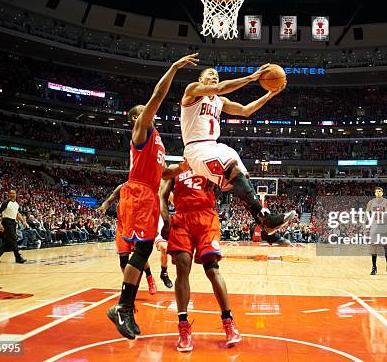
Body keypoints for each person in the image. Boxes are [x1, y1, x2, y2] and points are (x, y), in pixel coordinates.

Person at [106, 53, 198, 340]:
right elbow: (158, 95)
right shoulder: (141, 128)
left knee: (143, 250)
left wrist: (185, 165)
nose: (152, 111)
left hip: (147, 194)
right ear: (137, 117)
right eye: (146, 110)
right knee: (142, 250)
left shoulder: (156, 138)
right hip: (137, 194)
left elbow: (164, 173)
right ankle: (122, 306)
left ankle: (123, 307)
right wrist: (173, 68)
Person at [180, 66, 296, 235]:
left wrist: (269, 94)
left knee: (241, 176)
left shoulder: (220, 101)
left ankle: (266, 220)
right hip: (196, 148)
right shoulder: (192, 90)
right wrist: (252, 77)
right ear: (200, 80)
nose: (214, 76)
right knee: (232, 170)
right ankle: (266, 219)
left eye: (217, 75)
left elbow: (245, 111)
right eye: (210, 74)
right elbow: (220, 88)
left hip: (214, 146)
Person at [160, 164, 241, 352]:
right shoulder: (175, 170)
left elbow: (229, 182)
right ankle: (183, 327)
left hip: (206, 217)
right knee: (182, 269)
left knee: (212, 270)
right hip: (181, 219)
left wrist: (238, 175)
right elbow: (162, 197)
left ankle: (228, 322)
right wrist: (166, 221)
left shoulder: (208, 165)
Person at [0, 189, 27, 264]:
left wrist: (23, 221)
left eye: (14, 193)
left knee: (9, 242)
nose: (13, 194)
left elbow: (17, 214)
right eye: (11, 193)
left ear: (16, 194)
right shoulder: (5, 203)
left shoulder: (16, 204)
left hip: (13, 222)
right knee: (13, 239)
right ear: (9, 195)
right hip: (6, 222)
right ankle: (18, 257)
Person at [367, 187, 387, 276]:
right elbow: (366, 213)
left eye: (380, 191)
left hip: (384, 226)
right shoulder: (371, 202)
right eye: (377, 191)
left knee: (386, 247)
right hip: (374, 226)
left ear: (382, 193)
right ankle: (374, 267)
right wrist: (364, 224)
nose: (378, 193)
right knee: (373, 247)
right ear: (374, 193)